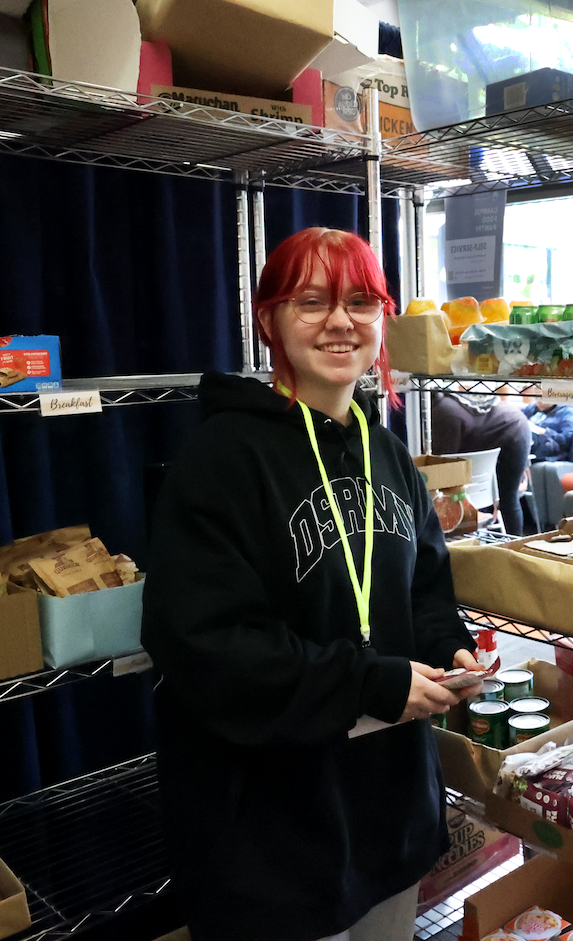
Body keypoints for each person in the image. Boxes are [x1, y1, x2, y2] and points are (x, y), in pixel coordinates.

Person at [142, 227, 484, 941]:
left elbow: (423, 586)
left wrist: (450, 648)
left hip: (390, 820)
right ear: (268, 319)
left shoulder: (386, 452)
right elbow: (208, 647)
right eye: (312, 301)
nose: (340, 321)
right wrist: (367, 681)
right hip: (270, 841)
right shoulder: (220, 460)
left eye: (361, 301)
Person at [430, 392, 531, 535]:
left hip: (515, 430)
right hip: (510, 425)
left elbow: (442, 467)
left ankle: (515, 547)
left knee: (508, 498)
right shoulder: (446, 407)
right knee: (509, 500)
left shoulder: (445, 414)